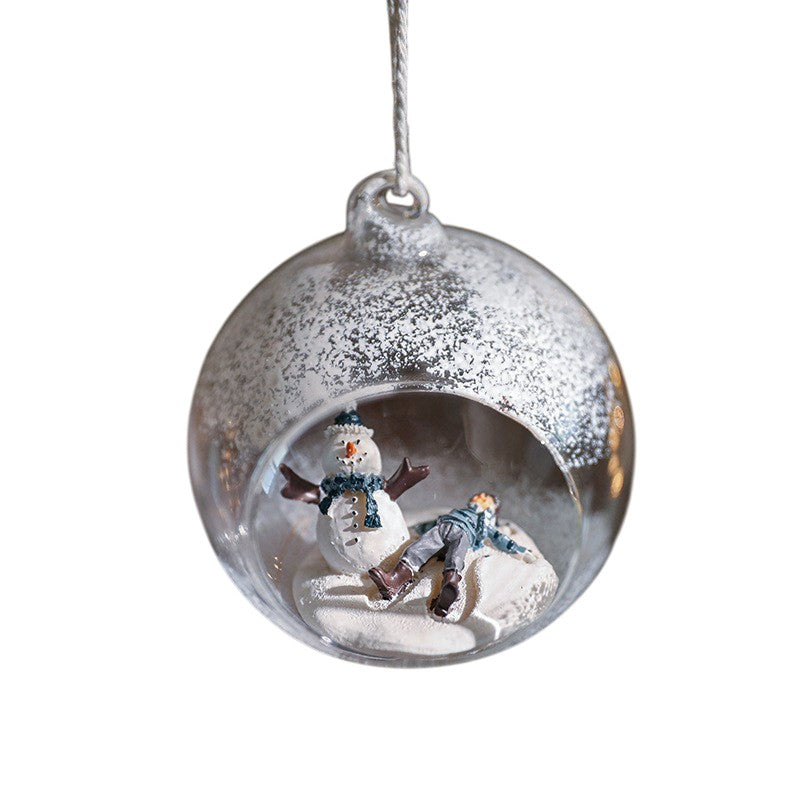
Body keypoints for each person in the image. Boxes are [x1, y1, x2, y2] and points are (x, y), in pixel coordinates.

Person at [368, 492, 532, 618]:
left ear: (492, 509)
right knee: (418, 548)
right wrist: (415, 529)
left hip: (464, 534)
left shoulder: (484, 520)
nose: (479, 498)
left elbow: (499, 538)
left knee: (455, 558)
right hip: (444, 527)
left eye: (485, 499)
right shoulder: (459, 512)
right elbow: (432, 523)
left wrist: (519, 550)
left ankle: (448, 592)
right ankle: (394, 581)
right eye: (479, 496)